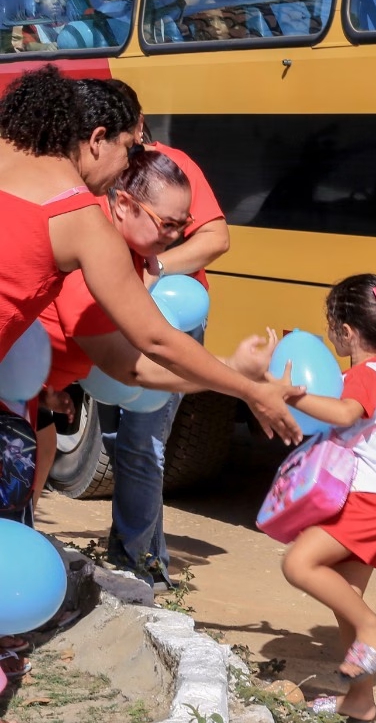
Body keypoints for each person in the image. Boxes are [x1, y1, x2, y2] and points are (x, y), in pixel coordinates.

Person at [0, 66, 300, 439]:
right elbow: (149, 346)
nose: (129, 164)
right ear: (97, 140)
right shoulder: (80, 220)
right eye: (128, 148)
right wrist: (248, 386)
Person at [35, 151, 275, 521]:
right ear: (124, 205)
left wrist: (48, 389)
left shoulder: (133, 257)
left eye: (183, 224)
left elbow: (156, 338)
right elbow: (138, 364)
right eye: (167, 224)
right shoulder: (93, 252)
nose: (177, 236)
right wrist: (239, 377)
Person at [98, 80, 231, 586]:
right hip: (112, 316)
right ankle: (132, 547)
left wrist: (151, 267)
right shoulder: (93, 176)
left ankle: (141, 564)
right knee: (117, 434)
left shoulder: (168, 167)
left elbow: (217, 237)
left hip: (168, 316)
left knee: (143, 440)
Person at [279, 274, 376, 723]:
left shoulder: (365, 375)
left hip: (366, 500)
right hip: (372, 499)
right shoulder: (367, 373)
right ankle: (360, 701)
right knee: (347, 606)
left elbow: (344, 413)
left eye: (330, 323)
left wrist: (294, 393)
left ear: (346, 331)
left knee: (298, 564)